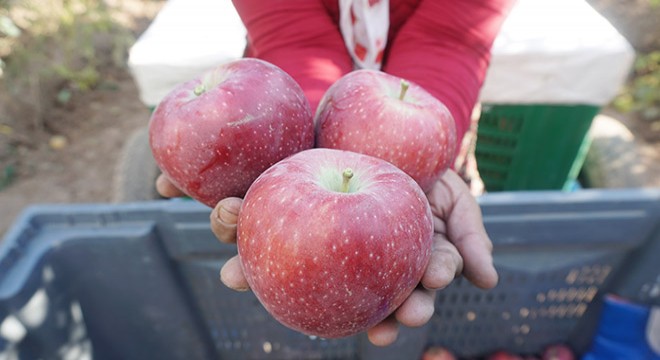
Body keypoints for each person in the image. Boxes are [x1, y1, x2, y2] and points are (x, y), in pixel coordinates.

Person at [156, 0, 516, 347]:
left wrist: (421, 148)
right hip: (293, 106)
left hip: (419, 114)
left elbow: (450, 36)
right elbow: (294, 36)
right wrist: (306, 142)